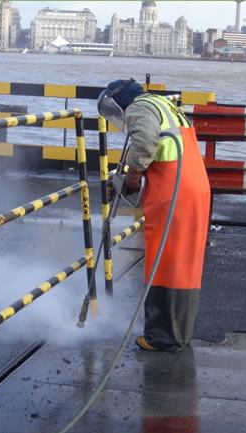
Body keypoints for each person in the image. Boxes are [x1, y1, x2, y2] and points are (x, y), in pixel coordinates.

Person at [97, 78, 211, 352]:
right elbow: (163, 148)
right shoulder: (165, 105)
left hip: (174, 192)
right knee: (183, 267)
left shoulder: (139, 108)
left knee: (165, 263)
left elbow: (146, 143)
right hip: (193, 187)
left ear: (121, 101)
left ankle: (161, 337)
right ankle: (178, 333)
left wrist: (133, 175)